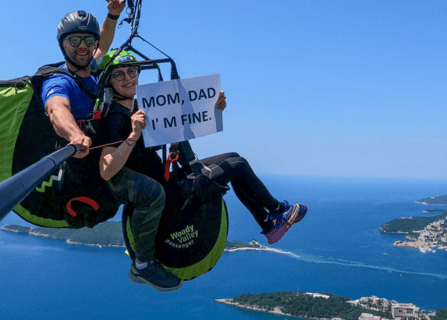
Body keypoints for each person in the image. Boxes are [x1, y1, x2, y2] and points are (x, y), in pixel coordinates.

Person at [96, 50, 308, 292]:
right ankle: (275, 215)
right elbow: (106, 169)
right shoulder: (114, 117)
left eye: (132, 71)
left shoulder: (139, 106)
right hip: (163, 189)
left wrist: (212, 107)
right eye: (119, 74)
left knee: (236, 159)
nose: (128, 78)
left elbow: (177, 123)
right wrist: (133, 134)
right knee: (236, 167)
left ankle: (270, 221)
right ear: (109, 82)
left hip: (167, 177)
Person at [40, 1, 125, 158]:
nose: (83, 46)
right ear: (61, 45)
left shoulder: (90, 66)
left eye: (89, 40)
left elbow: (103, 44)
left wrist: (113, 15)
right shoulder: (58, 80)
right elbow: (56, 108)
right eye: (74, 40)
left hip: (103, 154)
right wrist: (75, 136)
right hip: (78, 163)